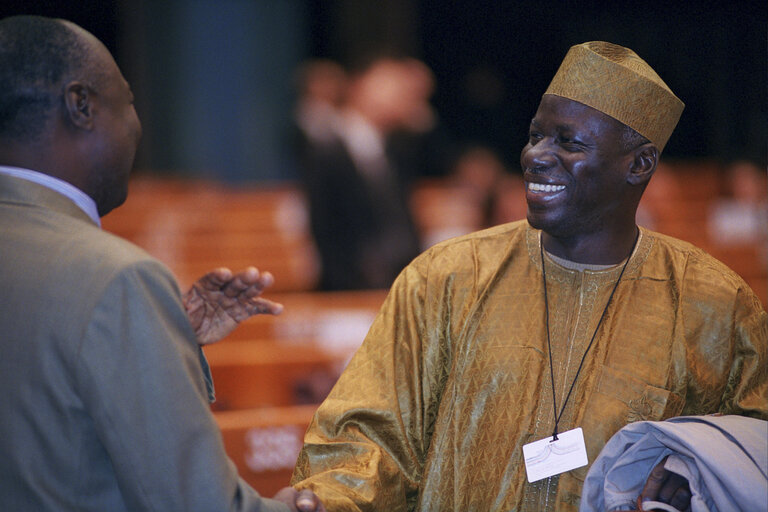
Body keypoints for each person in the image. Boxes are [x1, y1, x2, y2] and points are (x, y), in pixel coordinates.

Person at [289, 41, 767, 511]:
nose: (534, 155)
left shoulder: (713, 304)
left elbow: (751, 448)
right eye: (535, 135)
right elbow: (366, 439)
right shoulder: (446, 279)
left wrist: (696, 473)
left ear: (639, 165)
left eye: (568, 142)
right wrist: (325, 500)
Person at [0, 15, 324, 512]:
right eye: (127, 101)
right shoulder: (116, 278)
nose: (137, 124)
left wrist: (162, 337)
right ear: (81, 105)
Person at [298, 56, 424, 290]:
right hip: (350, 290)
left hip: (399, 283)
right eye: (388, 85)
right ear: (358, 85)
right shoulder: (325, 149)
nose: (399, 95)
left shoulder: (397, 149)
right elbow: (324, 230)